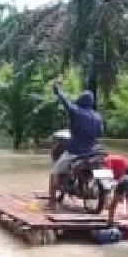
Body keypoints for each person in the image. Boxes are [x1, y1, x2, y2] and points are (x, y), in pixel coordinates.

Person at [48, 79, 103, 209]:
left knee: (54, 173)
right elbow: (100, 133)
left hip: (75, 152)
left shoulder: (76, 111)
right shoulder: (97, 117)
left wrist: (57, 89)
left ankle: (51, 202)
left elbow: (65, 101)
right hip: (91, 152)